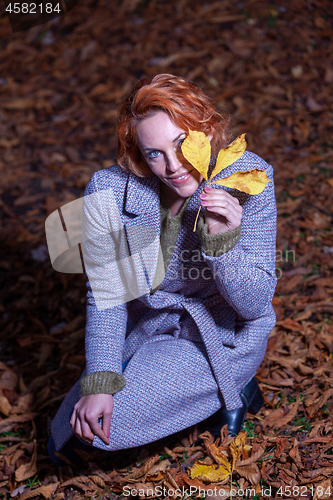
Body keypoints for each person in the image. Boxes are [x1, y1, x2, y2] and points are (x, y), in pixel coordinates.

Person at [48, 74, 277, 463]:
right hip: (149, 326)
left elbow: (255, 305)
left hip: (220, 334)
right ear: (138, 153)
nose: (173, 166)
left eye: (182, 143)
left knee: (105, 432)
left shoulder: (248, 180)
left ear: (206, 129)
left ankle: (234, 386)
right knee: (69, 435)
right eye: (154, 153)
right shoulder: (107, 189)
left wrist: (222, 243)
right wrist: (100, 380)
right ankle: (212, 392)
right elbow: (107, 295)